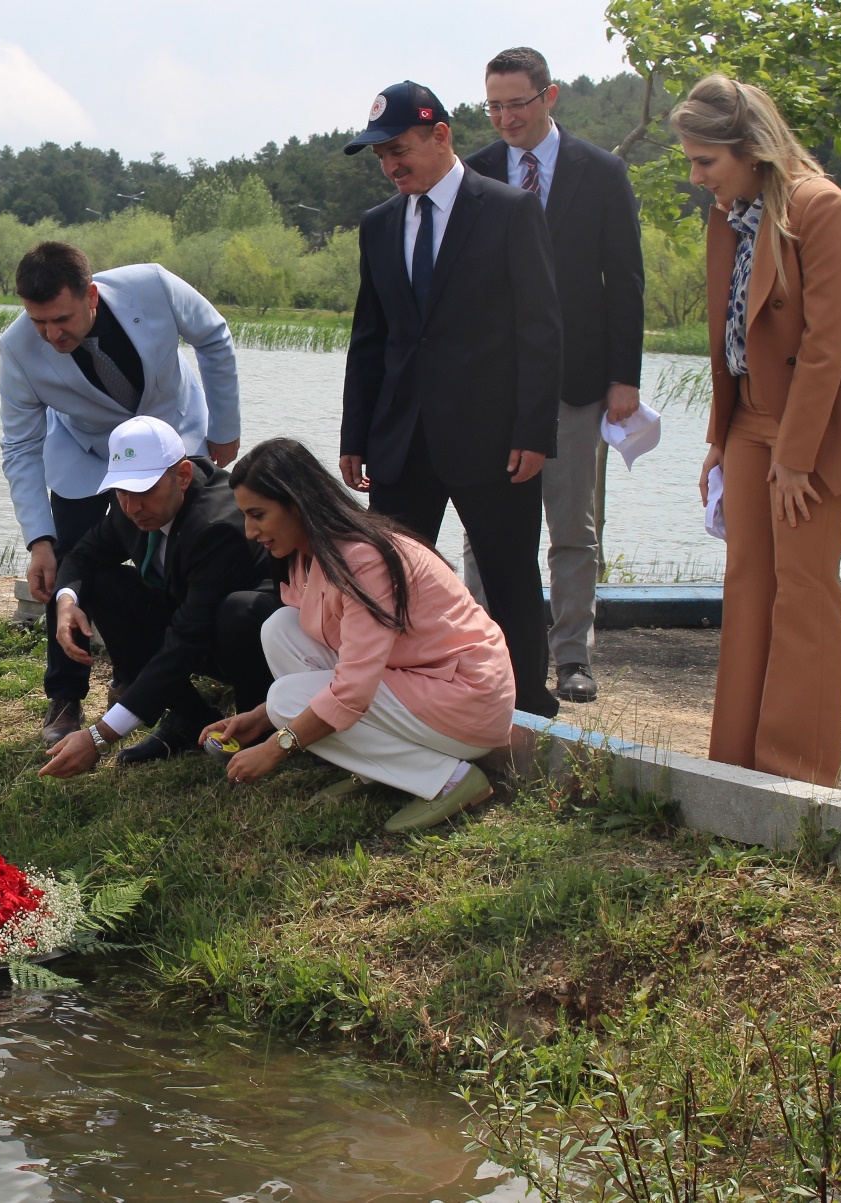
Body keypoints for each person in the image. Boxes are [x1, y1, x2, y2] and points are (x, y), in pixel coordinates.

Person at [673, 75, 841, 786]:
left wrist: (796, 458)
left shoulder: (821, 205)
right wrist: (720, 434)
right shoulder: (726, 215)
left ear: (752, 150)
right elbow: (729, 340)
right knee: (746, 584)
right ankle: (733, 770)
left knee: (803, 590)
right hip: (751, 418)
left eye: (706, 161)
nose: (696, 176)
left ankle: (795, 783)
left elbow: (828, 345)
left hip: (821, 424)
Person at [338, 79, 563, 719]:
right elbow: (370, 338)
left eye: (399, 149)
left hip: (494, 437)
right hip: (401, 438)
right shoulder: (379, 226)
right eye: (381, 157)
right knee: (394, 577)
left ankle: (527, 711)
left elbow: (541, 331)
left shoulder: (510, 210)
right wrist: (356, 435)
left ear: (441, 135)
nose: (390, 166)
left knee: (509, 573)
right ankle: (414, 702)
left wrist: (534, 430)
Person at [201, 439, 515, 832]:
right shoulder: (308, 555)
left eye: (258, 515)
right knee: (280, 629)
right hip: (418, 682)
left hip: (465, 699)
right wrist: (258, 720)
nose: (249, 531)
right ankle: (381, 769)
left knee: (287, 699)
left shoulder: (362, 560)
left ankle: (447, 779)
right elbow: (349, 665)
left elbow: (351, 691)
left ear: (296, 503)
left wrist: (274, 747)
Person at [0, 242, 241, 749]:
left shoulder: (152, 286)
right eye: (39, 322)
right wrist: (39, 539)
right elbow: (21, 444)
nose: (52, 334)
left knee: (188, 553)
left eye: (62, 319)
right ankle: (65, 692)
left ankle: (146, 674)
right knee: (73, 562)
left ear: (91, 295)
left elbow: (214, 338)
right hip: (87, 453)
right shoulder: (17, 348)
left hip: (175, 434)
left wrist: (225, 427)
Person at [462, 46, 646, 704]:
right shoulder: (473, 174)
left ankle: (573, 656)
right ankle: (483, 651)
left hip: (577, 385)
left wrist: (625, 377)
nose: (506, 118)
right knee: (486, 532)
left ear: (551, 97)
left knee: (573, 529)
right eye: (495, 106)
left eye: (518, 103)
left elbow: (625, 283)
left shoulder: (602, 173)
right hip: (494, 389)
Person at [39, 416, 276, 778]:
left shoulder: (217, 528)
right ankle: (192, 720)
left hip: (251, 642)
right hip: (195, 620)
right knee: (103, 584)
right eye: (122, 491)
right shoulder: (131, 506)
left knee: (238, 611)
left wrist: (99, 736)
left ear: (182, 475)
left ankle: (259, 722)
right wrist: (67, 601)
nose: (132, 507)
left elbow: (186, 642)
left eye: (144, 490)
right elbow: (84, 554)